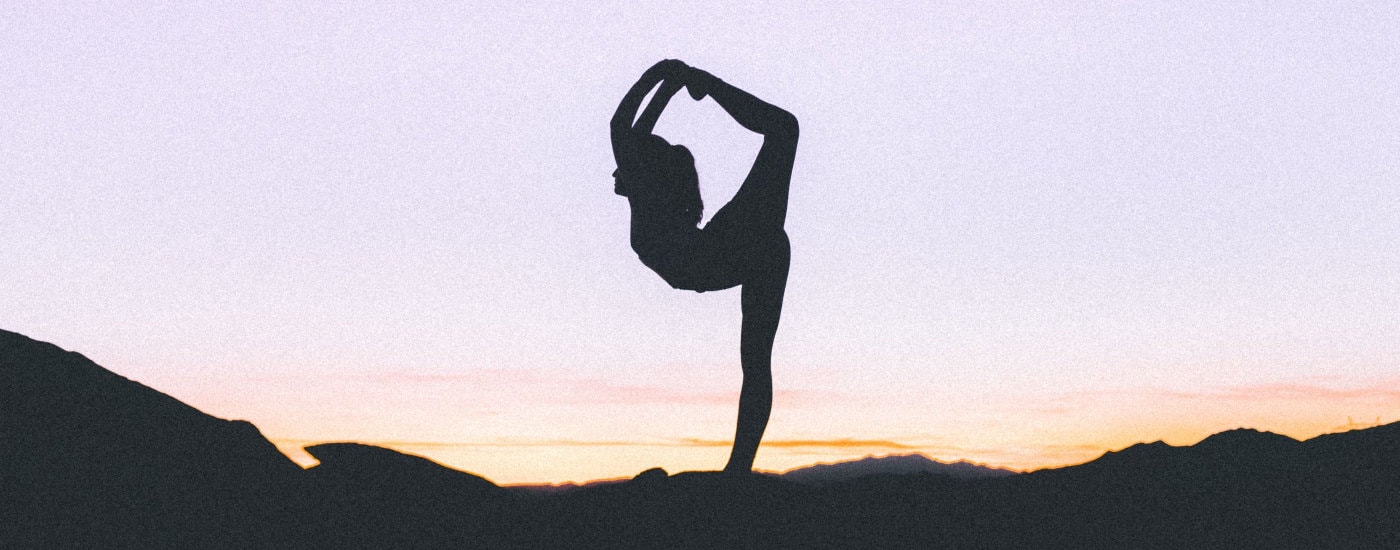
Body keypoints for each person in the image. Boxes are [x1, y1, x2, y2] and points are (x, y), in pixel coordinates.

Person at [610, 59, 798, 473]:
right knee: (756, 360)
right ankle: (739, 468)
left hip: (724, 251)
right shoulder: (651, 199)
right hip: (737, 250)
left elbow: (622, 128)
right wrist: (674, 81)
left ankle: (739, 470)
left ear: (643, 172)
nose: (614, 171)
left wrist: (663, 76)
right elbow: (632, 135)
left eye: (625, 166)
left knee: (784, 128)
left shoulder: (648, 199)